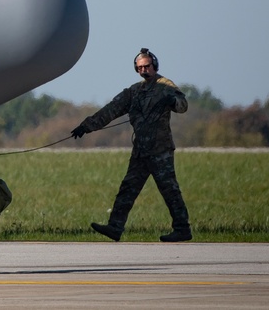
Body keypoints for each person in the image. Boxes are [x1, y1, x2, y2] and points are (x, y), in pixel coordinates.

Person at [71, 48, 192, 243]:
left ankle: (182, 229)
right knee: (128, 188)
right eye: (140, 68)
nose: (144, 71)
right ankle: (115, 227)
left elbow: (183, 105)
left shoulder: (166, 86)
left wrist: (172, 100)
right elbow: (111, 110)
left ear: (155, 66)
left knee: (169, 189)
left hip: (160, 150)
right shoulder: (134, 92)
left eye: (147, 66)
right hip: (140, 152)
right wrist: (86, 126)